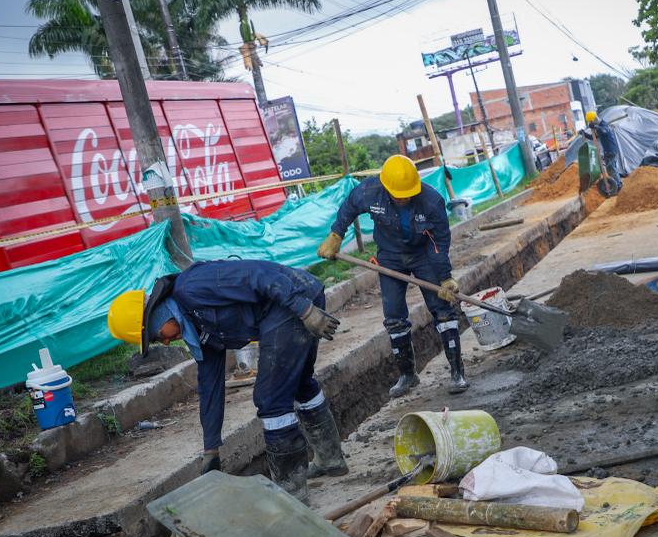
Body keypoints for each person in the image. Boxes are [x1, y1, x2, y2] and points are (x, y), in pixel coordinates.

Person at [106, 259, 346, 502]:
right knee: (299, 383)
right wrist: (210, 448)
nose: (166, 342)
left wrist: (304, 309)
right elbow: (210, 386)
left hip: (291, 301)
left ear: (157, 316)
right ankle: (330, 460)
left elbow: (258, 274)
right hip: (292, 302)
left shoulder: (191, 288)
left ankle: (293, 493)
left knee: (271, 399)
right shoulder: (196, 328)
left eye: (158, 336)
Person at [317, 154, 467, 398]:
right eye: (398, 193)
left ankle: (457, 372)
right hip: (390, 256)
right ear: (386, 186)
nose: (403, 197)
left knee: (442, 309)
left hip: (423, 255)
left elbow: (439, 241)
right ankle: (408, 375)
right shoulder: (370, 191)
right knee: (394, 317)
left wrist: (444, 277)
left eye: (407, 193)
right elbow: (349, 207)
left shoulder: (431, 201)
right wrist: (336, 235)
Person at [583, 111, 623, 194]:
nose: (591, 123)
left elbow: (605, 131)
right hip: (608, 150)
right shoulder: (600, 127)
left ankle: (618, 186)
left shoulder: (604, 125)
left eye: (591, 121)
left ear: (594, 119)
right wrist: (585, 134)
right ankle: (618, 184)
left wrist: (595, 127)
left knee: (611, 169)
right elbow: (594, 137)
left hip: (610, 150)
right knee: (612, 168)